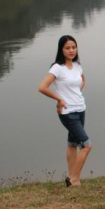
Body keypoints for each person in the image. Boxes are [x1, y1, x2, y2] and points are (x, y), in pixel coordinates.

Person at [38, 35, 92, 187]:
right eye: (67, 48)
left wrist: (75, 93)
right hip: (68, 112)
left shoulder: (77, 65)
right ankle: (73, 178)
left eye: (73, 47)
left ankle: (71, 176)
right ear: (61, 50)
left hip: (81, 108)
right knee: (87, 145)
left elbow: (82, 81)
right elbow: (42, 87)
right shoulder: (57, 68)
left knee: (72, 144)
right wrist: (59, 99)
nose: (71, 50)